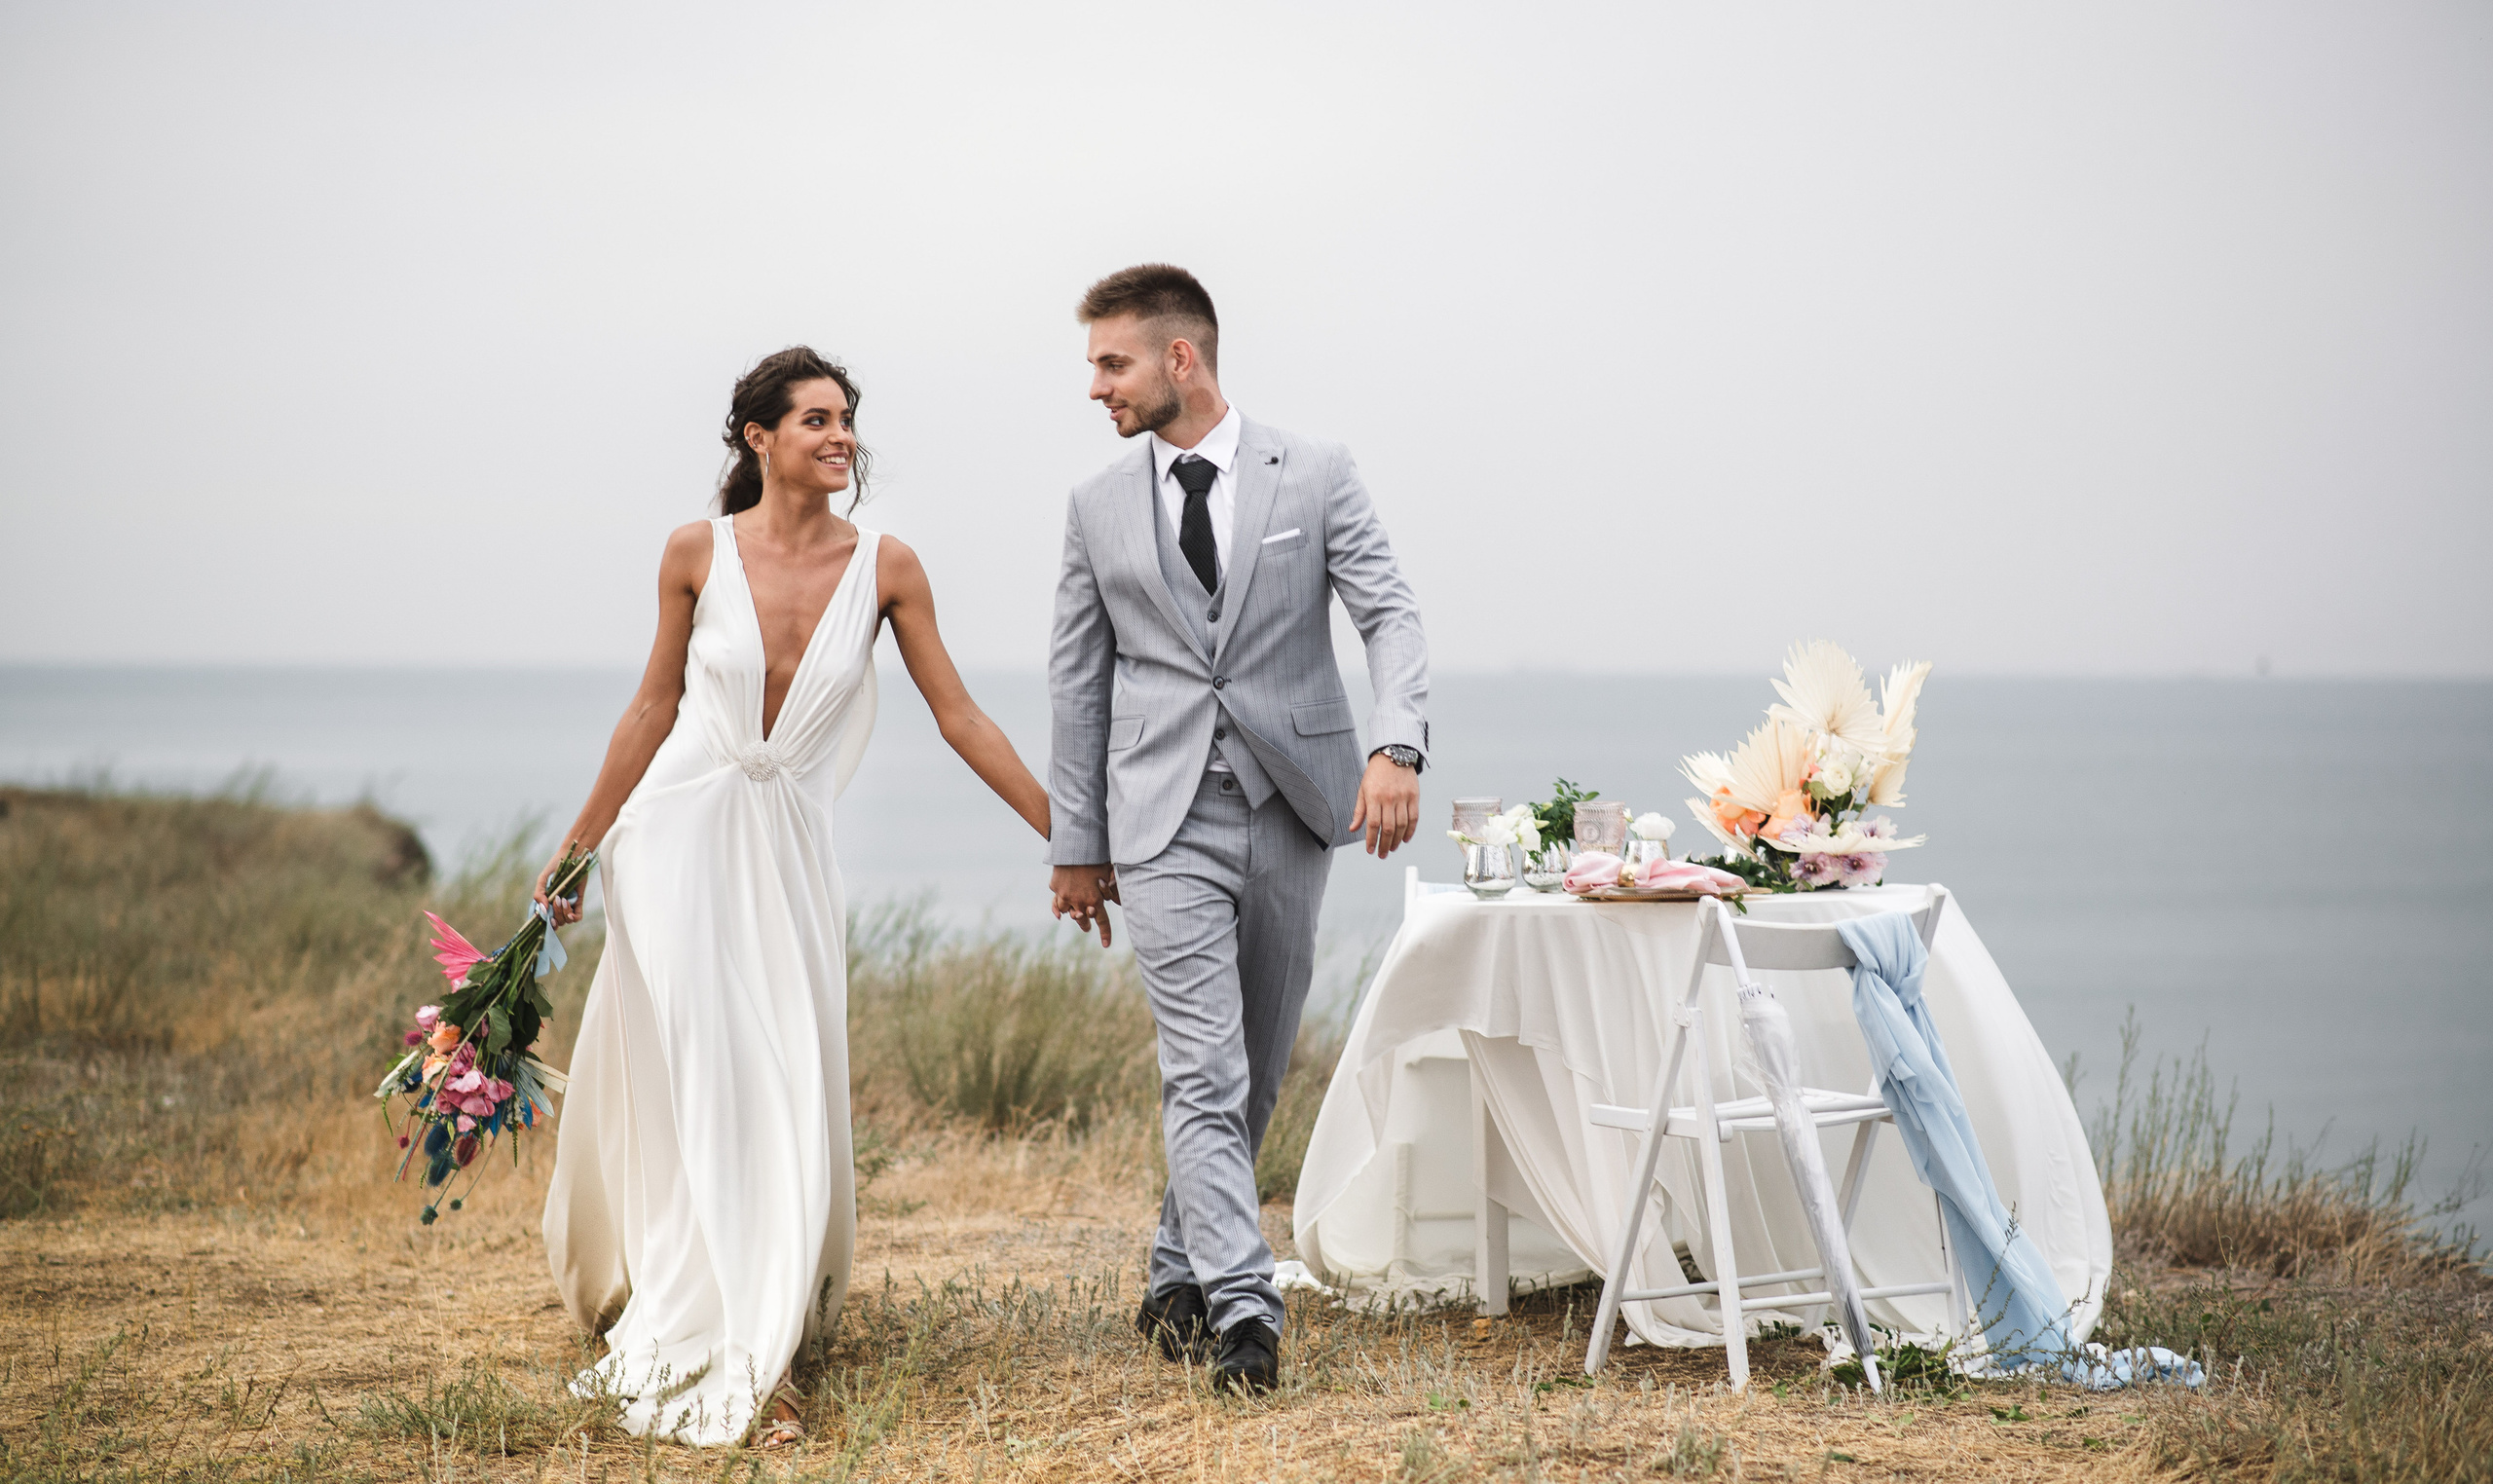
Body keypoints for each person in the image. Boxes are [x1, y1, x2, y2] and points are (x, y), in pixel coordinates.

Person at [538, 348, 1050, 1447]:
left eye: (847, 420)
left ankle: (758, 1310)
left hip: (787, 860)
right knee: (711, 1077)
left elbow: (960, 717)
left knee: (778, 1076)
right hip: (672, 845)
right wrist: (580, 850)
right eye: (815, 418)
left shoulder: (891, 567)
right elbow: (649, 710)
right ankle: (728, 1343)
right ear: (758, 437)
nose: (840, 435)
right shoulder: (692, 551)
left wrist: (1070, 834)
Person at [1045, 265, 1430, 1392]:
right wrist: (1077, 844)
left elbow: (1388, 613)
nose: (1096, 388)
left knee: (1257, 1067)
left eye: (1111, 363)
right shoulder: (1093, 506)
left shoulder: (1313, 471)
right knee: (1201, 1069)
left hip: (1295, 807)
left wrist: (1394, 747)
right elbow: (1079, 684)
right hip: (1159, 821)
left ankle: (1174, 1267)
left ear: (1180, 359)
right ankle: (1242, 1309)